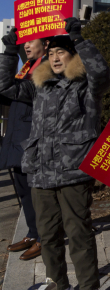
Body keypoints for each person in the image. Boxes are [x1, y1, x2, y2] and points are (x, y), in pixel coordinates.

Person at [0, 18, 110, 290]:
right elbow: (5, 87)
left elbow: (102, 73)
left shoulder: (86, 86)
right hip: (40, 173)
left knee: (79, 235)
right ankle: (58, 284)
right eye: (50, 54)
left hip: (73, 172)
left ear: (71, 56)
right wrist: (8, 52)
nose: (55, 57)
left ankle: (88, 286)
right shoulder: (38, 85)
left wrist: (79, 40)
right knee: (48, 237)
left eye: (60, 52)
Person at [0, 37, 51, 261]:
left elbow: (7, 87)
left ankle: (45, 239)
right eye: (24, 43)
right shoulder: (27, 68)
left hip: (32, 143)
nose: (26, 46)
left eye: (32, 42)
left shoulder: (48, 69)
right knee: (24, 193)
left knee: (37, 194)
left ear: (46, 44)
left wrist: (9, 52)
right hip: (18, 141)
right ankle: (33, 233)